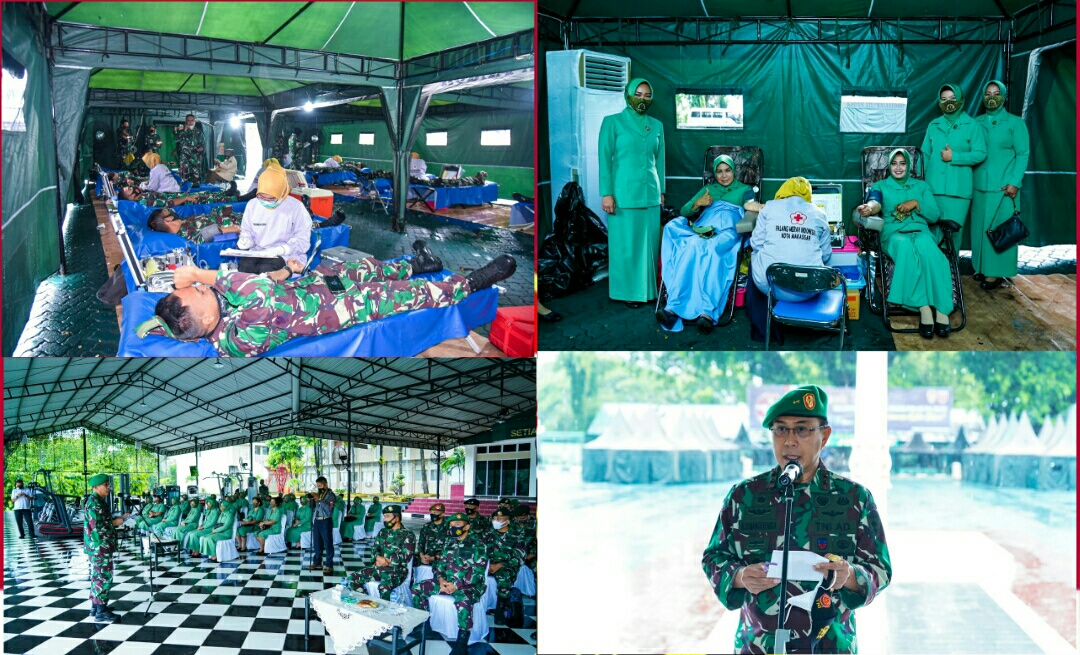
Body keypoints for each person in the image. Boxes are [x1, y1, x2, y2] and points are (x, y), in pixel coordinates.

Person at [702, 385, 892, 654]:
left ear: (824, 436)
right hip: (758, 646)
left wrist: (849, 576)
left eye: (801, 430)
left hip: (829, 646)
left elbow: (880, 569)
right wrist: (739, 577)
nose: (789, 441)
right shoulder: (744, 496)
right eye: (780, 429)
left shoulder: (854, 498)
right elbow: (714, 557)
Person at [141, 240, 516, 356]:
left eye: (199, 286)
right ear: (207, 321)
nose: (205, 288)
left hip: (312, 287)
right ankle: (472, 283)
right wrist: (199, 274)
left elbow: (265, 284)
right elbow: (259, 294)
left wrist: (286, 272)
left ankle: (418, 263)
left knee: (365, 267)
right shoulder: (236, 342)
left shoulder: (211, 312)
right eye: (199, 292)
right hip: (337, 310)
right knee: (409, 295)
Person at [857, 149, 953, 338]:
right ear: (889, 166)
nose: (898, 167)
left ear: (909, 166)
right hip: (894, 234)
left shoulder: (922, 186)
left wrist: (916, 203)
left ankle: (942, 309)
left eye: (902, 163)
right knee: (906, 249)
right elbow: (875, 202)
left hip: (920, 231)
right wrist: (869, 207)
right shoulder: (881, 185)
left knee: (932, 254)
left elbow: (934, 215)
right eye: (894, 163)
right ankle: (924, 308)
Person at [658, 155, 758, 333]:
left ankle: (707, 312)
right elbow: (685, 211)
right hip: (703, 229)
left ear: (733, 171)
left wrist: (768, 207)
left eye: (727, 170)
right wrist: (698, 203)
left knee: (713, 251)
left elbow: (751, 205)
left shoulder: (745, 189)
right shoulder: (708, 189)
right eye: (719, 172)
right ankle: (673, 307)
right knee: (690, 247)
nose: (724, 175)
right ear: (715, 173)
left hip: (728, 231)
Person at [598, 77, 666, 308]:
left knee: (649, 246)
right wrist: (607, 193)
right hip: (623, 195)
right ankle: (627, 291)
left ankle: (648, 290)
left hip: (650, 193)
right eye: (638, 94)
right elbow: (604, 159)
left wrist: (661, 190)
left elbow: (660, 160)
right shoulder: (612, 122)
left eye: (647, 95)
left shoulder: (657, 125)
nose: (642, 99)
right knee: (626, 246)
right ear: (628, 95)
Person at [972, 79, 1030, 291]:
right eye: (988, 94)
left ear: (1004, 97)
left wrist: (1014, 182)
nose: (992, 97)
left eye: (996, 94)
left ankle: (995, 272)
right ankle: (981, 267)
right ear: (983, 97)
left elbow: (1023, 154)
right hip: (979, 185)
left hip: (1004, 188)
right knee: (980, 229)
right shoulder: (975, 122)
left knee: (1001, 229)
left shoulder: (1015, 123)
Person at [920, 84, 987, 252]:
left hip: (958, 192)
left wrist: (954, 156)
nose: (948, 102)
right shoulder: (933, 125)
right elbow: (924, 156)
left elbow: (980, 153)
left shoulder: (972, 125)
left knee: (953, 236)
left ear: (961, 100)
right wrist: (921, 185)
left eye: (952, 98)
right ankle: (933, 268)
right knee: (931, 234)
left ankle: (950, 268)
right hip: (933, 189)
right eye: (943, 99)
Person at [410, 512, 488, 655]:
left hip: (469, 585)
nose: (453, 528)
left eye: (457, 525)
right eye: (451, 525)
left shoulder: (479, 545)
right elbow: (440, 565)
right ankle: (423, 626)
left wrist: (456, 585)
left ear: (467, 526)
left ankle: (462, 642)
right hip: (446, 582)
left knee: (464, 602)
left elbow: (477, 572)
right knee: (417, 588)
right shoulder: (449, 543)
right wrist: (441, 580)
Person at [749, 176, 832, 301]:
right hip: (809, 289)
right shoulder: (820, 214)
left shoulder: (769, 207)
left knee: (755, 255)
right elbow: (826, 255)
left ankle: (759, 311)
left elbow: (756, 244)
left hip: (771, 286)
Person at [83, 474, 133, 622]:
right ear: (95, 487)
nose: (108, 487)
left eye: (108, 485)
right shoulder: (95, 504)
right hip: (99, 546)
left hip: (100, 545)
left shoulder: (98, 501)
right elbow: (98, 527)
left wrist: (119, 518)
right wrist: (115, 523)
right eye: (105, 485)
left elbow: (103, 520)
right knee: (104, 577)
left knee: (97, 576)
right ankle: (101, 611)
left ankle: (95, 606)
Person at [347, 504, 416, 599]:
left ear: (396, 518)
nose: (385, 519)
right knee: (351, 579)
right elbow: (374, 549)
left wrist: (386, 560)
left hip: (396, 571)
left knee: (384, 588)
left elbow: (406, 556)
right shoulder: (383, 532)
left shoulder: (408, 534)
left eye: (387, 516)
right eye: (384, 516)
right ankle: (367, 601)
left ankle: (385, 609)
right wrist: (378, 557)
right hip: (378, 567)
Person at [482, 508, 529, 616]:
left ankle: (501, 608)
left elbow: (519, 557)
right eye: (494, 518)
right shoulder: (488, 533)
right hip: (487, 565)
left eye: (499, 518)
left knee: (503, 578)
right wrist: (486, 565)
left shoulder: (517, 535)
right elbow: (479, 550)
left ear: (507, 521)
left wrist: (499, 565)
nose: (495, 520)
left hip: (507, 566)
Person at [118, 184, 236, 207]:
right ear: (131, 197)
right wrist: (186, 198)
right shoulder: (144, 201)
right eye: (130, 189)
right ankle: (237, 198)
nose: (132, 188)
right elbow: (169, 203)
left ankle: (228, 192)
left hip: (179, 196)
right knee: (208, 199)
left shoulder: (143, 195)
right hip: (184, 202)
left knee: (205, 193)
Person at [309, 476, 337, 574]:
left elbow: (329, 510)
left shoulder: (331, 496)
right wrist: (311, 500)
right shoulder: (319, 494)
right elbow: (313, 507)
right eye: (317, 486)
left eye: (320, 485)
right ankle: (317, 563)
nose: (319, 487)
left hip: (326, 521)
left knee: (328, 543)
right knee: (317, 543)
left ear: (325, 484)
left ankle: (329, 565)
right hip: (317, 520)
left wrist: (320, 499)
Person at [200, 498, 238, 562]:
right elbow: (217, 523)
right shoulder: (221, 514)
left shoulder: (230, 515)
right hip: (219, 532)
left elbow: (226, 526)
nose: (221, 507)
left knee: (210, 538)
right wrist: (213, 529)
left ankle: (215, 555)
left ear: (227, 506)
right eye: (221, 506)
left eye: (223, 506)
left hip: (225, 534)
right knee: (205, 537)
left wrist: (216, 531)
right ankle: (211, 554)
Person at [176, 113, 206, 184]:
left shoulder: (199, 132)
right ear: (186, 121)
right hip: (184, 157)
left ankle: (196, 187)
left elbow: (203, 144)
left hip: (195, 157)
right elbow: (176, 139)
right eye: (188, 120)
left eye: (192, 120)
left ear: (194, 121)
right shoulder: (182, 132)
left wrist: (201, 148)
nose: (190, 122)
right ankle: (184, 188)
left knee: (196, 174)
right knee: (184, 174)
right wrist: (184, 130)